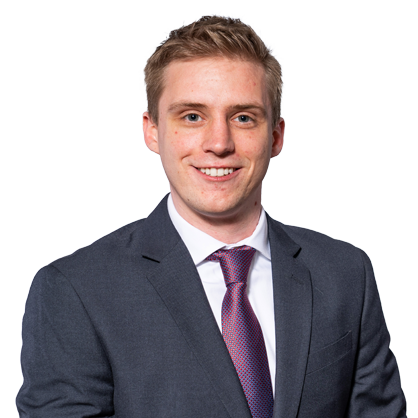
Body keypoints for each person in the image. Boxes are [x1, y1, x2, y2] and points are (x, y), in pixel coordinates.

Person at [16, 15, 406, 418]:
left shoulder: (345, 275)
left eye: (243, 117)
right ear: (152, 131)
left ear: (275, 136)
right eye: (192, 116)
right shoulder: (75, 291)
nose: (219, 143)